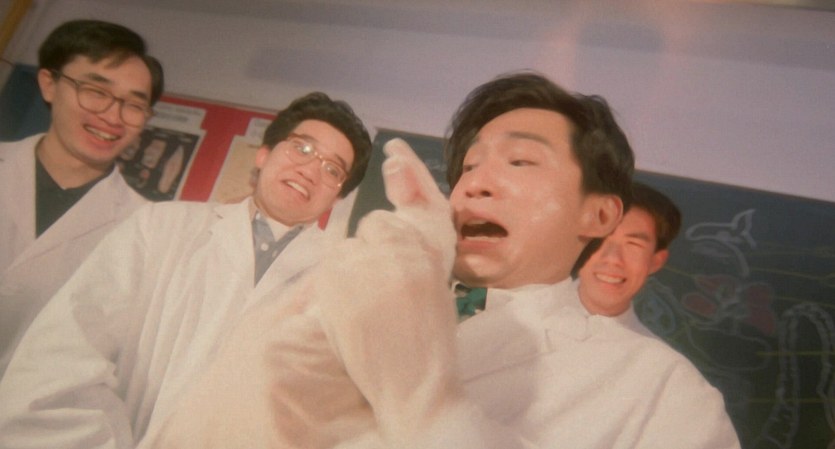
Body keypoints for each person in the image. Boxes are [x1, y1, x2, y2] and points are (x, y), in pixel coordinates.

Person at [145, 72, 739, 449]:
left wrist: (434, 413)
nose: (475, 184)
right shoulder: (350, 300)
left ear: (600, 214)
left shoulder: (661, 393)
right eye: (470, 166)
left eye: (520, 162)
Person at [0, 91, 372, 449]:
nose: (310, 170)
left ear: (337, 197)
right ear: (263, 154)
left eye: (332, 169)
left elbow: (334, 420)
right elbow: (64, 356)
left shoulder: (345, 285)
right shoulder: (159, 227)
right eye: (302, 148)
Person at [0, 19, 163, 377]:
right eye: (96, 91)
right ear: (49, 84)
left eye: (134, 105)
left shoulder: (146, 229)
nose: (112, 116)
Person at [575, 181, 682, 321]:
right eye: (600, 238)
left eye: (633, 244)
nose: (613, 258)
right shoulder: (543, 306)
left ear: (656, 262)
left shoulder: (642, 337)